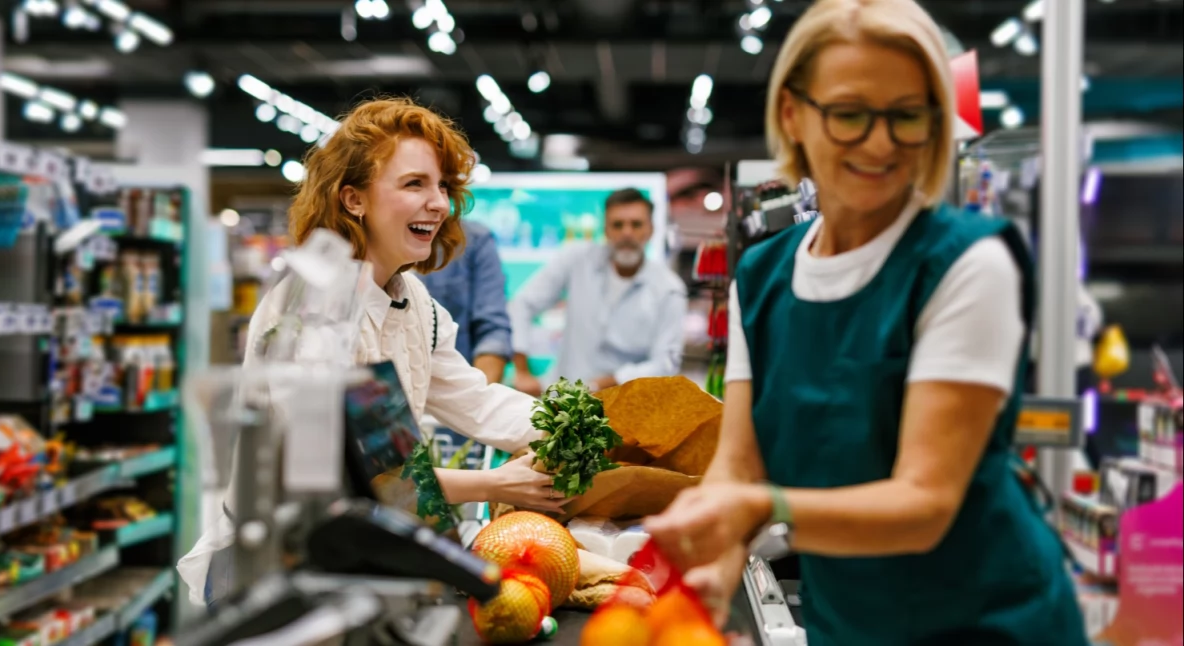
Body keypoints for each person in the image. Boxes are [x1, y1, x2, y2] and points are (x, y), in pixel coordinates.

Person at [643, 2, 1090, 645]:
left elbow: (925, 505)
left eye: (907, 116)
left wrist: (765, 509)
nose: (880, 143)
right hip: (849, 621)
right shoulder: (763, 278)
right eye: (851, 114)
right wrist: (714, 564)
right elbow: (739, 465)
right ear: (794, 115)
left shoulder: (966, 264)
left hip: (989, 622)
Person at [178, 98, 567, 606]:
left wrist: (584, 428)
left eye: (442, 186)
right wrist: (494, 483)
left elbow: (478, 402)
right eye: (414, 184)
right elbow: (342, 478)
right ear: (353, 199)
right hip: (272, 567)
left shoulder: (416, 302)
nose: (439, 203)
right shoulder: (310, 306)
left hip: (355, 556)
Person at [508, 188, 687, 395]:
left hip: (626, 408)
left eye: (636, 224)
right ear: (606, 229)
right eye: (617, 225)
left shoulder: (669, 289)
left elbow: (666, 363)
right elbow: (522, 304)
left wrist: (607, 383)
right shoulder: (576, 259)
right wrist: (521, 369)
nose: (627, 233)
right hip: (560, 403)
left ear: (651, 230)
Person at [417, 220, 513, 385]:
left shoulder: (474, 239)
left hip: (451, 392)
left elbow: (493, 330)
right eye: (414, 191)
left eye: (444, 192)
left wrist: (479, 396)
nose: (438, 203)